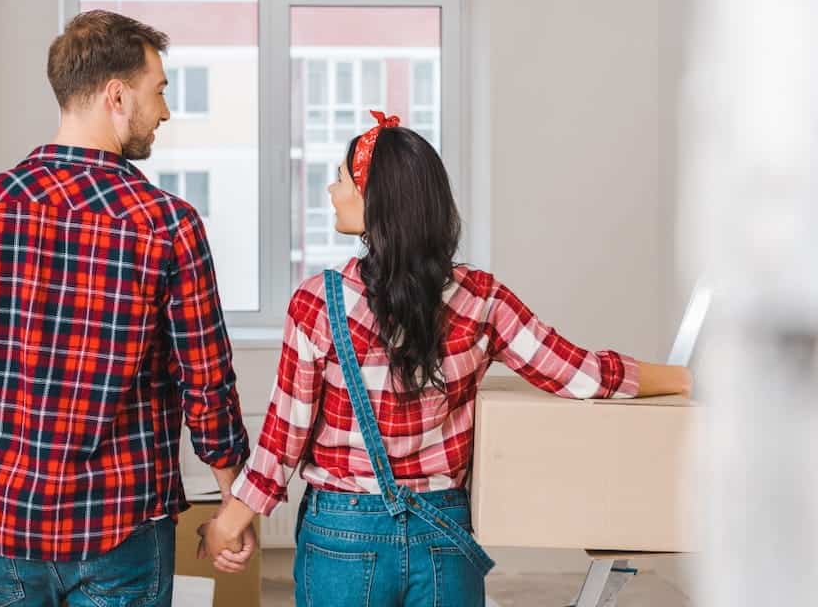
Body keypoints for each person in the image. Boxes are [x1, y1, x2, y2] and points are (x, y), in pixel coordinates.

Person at [199, 111, 692, 606]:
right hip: (443, 534)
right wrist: (685, 379)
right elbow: (582, 374)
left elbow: (283, 440)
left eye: (343, 178)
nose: (332, 190)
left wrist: (230, 522)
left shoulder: (317, 303)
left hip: (343, 535)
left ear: (377, 202)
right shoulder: (483, 301)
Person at [0, 9, 254, 607]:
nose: (166, 112)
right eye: (159, 93)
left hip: (5, 520)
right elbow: (206, 380)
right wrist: (235, 500)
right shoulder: (165, 224)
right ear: (117, 96)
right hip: (121, 523)